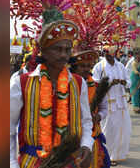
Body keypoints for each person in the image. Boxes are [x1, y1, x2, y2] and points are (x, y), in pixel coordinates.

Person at [10, 18, 94, 168]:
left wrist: (87, 145)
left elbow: (86, 121)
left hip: (71, 162)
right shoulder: (21, 83)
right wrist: (12, 164)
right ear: (44, 51)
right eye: (57, 49)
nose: (63, 55)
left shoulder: (79, 83)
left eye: (67, 50)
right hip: (33, 162)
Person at [70, 50, 111, 168]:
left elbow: (104, 109)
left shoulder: (97, 87)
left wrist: (98, 117)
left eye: (89, 66)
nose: (86, 69)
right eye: (82, 66)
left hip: (93, 136)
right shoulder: (66, 85)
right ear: (74, 67)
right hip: (71, 139)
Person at [92, 46, 131, 166]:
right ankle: (107, 156)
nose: (108, 56)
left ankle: (118, 155)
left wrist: (124, 82)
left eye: (111, 54)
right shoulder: (99, 67)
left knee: (123, 129)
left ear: (115, 54)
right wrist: (109, 84)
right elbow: (95, 84)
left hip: (121, 103)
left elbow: (129, 81)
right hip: (107, 103)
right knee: (108, 130)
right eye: (106, 53)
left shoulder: (120, 66)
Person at [129, 48, 140, 113]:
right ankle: (136, 107)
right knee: (135, 92)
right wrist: (139, 74)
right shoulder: (133, 62)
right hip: (135, 78)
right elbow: (134, 70)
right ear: (136, 55)